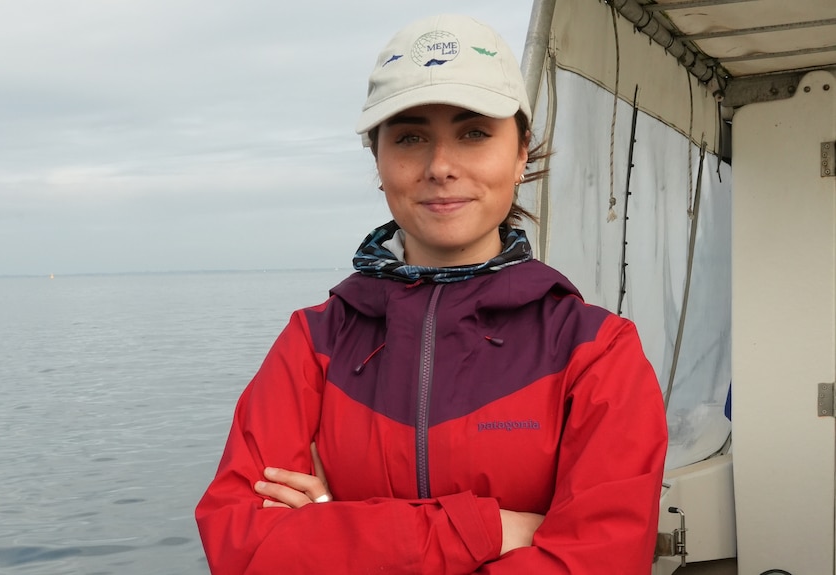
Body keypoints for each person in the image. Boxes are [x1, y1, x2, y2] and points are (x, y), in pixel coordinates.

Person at [196, 14, 667, 574]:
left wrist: (330, 529)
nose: (441, 167)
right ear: (378, 161)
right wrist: (489, 528)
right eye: (411, 137)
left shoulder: (596, 351)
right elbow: (241, 546)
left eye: (473, 133)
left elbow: (601, 562)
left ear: (520, 156)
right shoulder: (313, 343)